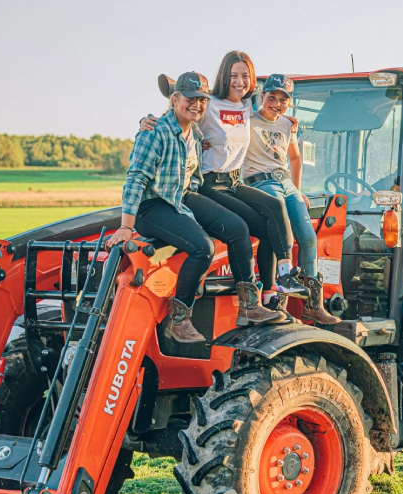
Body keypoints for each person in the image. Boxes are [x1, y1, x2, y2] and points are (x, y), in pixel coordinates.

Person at [108, 71, 284, 343]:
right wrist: (125, 228)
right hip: (153, 205)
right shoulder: (154, 132)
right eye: (190, 99)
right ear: (175, 98)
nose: (197, 104)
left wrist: (284, 121)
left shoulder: (195, 132)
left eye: (202, 100)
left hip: (182, 197)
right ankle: (179, 319)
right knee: (203, 248)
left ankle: (249, 306)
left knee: (239, 228)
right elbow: (135, 179)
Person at [140, 51, 307, 303]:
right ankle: (250, 300)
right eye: (234, 76)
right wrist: (145, 120)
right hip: (210, 182)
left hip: (234, 181)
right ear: (224, 77)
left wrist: (285, 120)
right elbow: (177, 115)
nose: (239, 81)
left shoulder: (247, 106)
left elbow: (269, 112)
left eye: (245, 76)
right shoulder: (210, 105)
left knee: (271, 213)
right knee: (240, 227)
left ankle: (276, 285)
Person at [241, 74, 340, 324]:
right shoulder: (247, 121)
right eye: (271, 97)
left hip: (285, 183)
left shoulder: (287, 125)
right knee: (280, 229)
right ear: (261, 97)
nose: (276, 103)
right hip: (261, 182)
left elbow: (294, 158)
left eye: (283, 99)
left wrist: (297, 190)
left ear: (289, 103)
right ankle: (278, 302)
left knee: (307, 238)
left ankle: (312, 306)